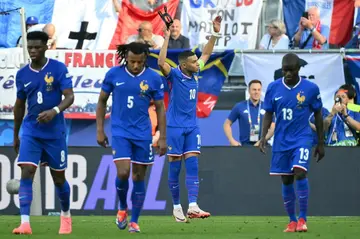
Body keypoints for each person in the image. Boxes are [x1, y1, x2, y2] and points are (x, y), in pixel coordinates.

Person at [96, 42, 167, 233]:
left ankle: (134, 221)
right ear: (125, 58)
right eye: (132, 61)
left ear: (145, 59)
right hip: (120, 131)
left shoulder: (153, 78)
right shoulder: (114, 74)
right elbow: (102, 101)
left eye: (139, 62)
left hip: (143, 133)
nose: (135, 65)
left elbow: (160, 107)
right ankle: (121, 208)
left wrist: (162, 137)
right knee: (123, 172)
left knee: (138, 176)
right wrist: (100, 130)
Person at [158, 15, 222, 222]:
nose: (198, 63)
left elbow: (206, 53)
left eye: (196, 61)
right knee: (175, 166)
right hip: (175, 127)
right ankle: (177, 206)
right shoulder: (175, 75)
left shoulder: (194, 73)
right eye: (194, 62)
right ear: (184, 65)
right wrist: (167, 36)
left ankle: (193, 205)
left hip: (192, 126)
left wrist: (215, 32)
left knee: (193, 164)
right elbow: (161, 62)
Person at [12, 31, 74, 235]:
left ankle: (65, 215)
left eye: (37, 47)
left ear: (46, 47)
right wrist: (16, 134)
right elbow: (19, 105)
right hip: (31, 131)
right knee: (27, 172)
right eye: (30, 47)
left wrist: (54, 111)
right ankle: (25, 223)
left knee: (58, 179)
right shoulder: (22, 74)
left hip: (55, 133)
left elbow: (70, 97)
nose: (33, 51)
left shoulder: (58, 69)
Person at [259, 53, 325, 233]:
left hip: (302, 138)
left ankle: (303, 218)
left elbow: (318, 114)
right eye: (285, 70)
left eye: (291, 70)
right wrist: (263, 137)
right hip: (281, 141)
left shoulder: (310, 88)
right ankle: (292, 220)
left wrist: (320, 142)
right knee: (286, 179)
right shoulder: (273, 88)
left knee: (300, 172)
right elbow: (268, 114)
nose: (287, 74)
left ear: (298, 69)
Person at [223, 79, 274, 146]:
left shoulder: (267, 107)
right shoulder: (239, 106)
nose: (257, 92)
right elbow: (226, 124)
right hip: (245, 147)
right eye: (254, 89)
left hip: (263, 146)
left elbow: (273, 127)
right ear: (249, 91)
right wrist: (231, 140)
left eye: (259, 90)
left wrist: (262, 140)